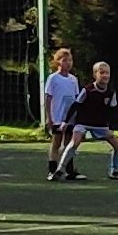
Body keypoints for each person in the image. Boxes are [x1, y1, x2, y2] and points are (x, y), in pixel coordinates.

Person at [60, 60, 118, 181]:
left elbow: (113, 112)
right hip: (83, 123)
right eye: (102, 72)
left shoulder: (111, 93)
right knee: (74, 143)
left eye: (107, 73)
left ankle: (114, 171)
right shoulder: (87, 90)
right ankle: (60, 169)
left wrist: (111, 128)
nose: (105, 75)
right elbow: (75, 106)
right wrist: (65, 122)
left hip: (101, 125)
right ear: (95, 75)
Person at [42, 47, 82, 181]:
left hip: (69, 117)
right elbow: (48, 98)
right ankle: (52, 170)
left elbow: (76, 99)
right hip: (57, 117)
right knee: (56, 142)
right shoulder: (53, 78)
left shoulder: (73, 79)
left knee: (69, 143)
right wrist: (49, 117)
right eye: (65, 60)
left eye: (70, 60)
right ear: (58, 62)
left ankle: (69, 170)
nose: (68, 63)